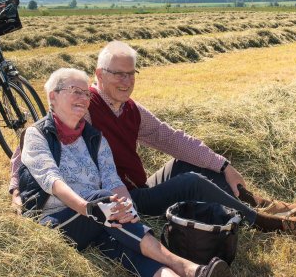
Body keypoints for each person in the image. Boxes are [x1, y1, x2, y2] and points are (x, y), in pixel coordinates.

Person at [12, 41, 296, 236]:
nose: (126, 81)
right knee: (191, 180)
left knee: (192, 162)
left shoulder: (132, 110)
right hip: (119, 200)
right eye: (118, 73)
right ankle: (269, 224)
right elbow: (33, 139)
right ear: (100, 74)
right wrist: (16, 187)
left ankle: (262, 204)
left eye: (131, 73)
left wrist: (224, 164)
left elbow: (174, 139)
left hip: (139, 185)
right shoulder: (85, 104)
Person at [19, 68, 232, 277]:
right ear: (53, 97)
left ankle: (187, 273)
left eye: (86, 93)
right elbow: (52, 181)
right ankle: (186, 266)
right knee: (105, 201)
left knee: (130, 248)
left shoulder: (94, 138)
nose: (83, 98)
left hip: (99, 217)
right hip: (56, 221)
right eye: (75, 91)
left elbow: (113, 180)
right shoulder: (37, 134)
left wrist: (129, 211)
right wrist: (89, 208)